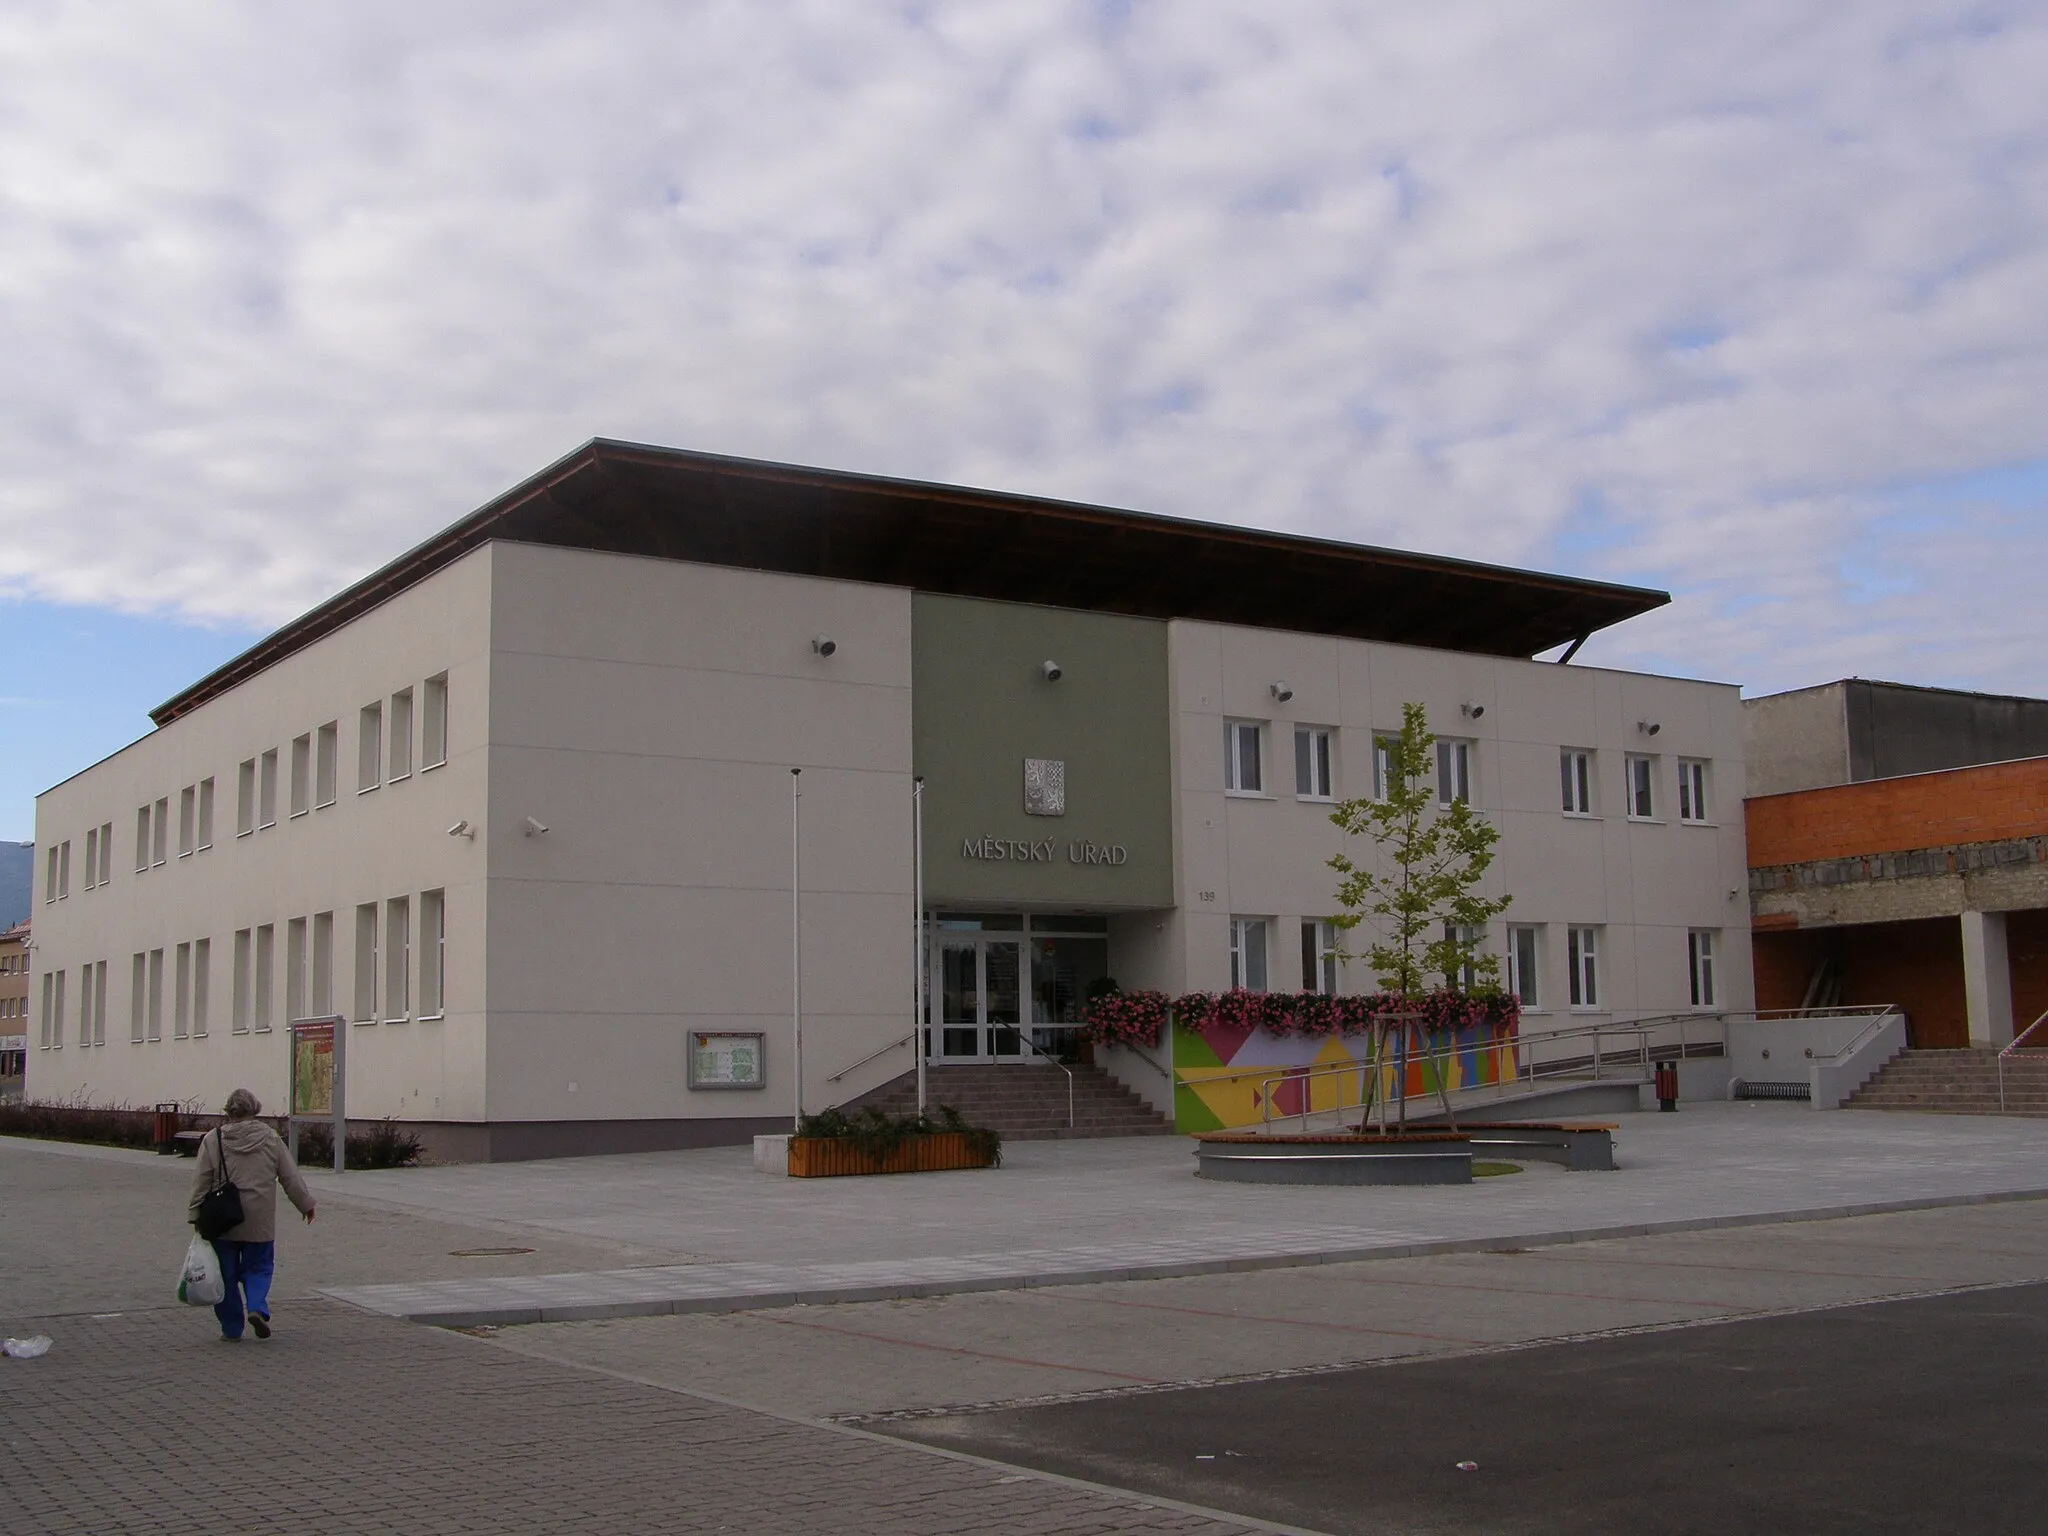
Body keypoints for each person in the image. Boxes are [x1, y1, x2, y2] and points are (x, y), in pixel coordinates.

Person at [186, 1088, 316, 1341]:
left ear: (229, 1111)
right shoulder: (270, 1138)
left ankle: (232, 1328)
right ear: (255, 1109)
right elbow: (289, 1176)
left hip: (223, 1218)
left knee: (226, 1275)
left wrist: (195, 1213)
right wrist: (306, 1204)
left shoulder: (214, 1139)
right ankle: (256, 1306)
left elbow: (201, 1180)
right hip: (260, 1217)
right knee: (259, 1266)